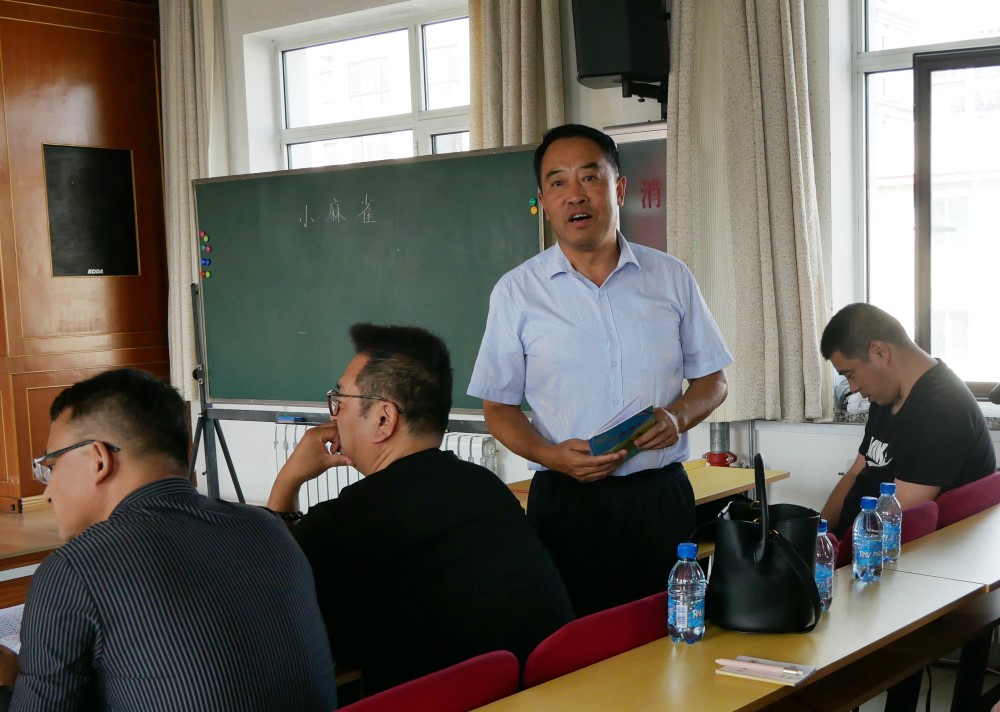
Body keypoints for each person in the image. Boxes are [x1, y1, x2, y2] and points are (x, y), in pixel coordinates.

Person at [467, 123, 733, 616]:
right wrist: (550, 454)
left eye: (590, 177)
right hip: (567, 501)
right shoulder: (516, 293)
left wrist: (677, 418)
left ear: (619, 188)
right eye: (558, 182)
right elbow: (498, 407)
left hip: (659, 497)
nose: (575, 195)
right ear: (543, 201)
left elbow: (713, 380)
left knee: (668, 631)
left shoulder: (671, 277)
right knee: (574, 639)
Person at [0, 369, 337, 712]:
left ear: (99, 459)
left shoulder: (75, 569)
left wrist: (15, 680)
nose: (48, 491)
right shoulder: (267, 528)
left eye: (51, 466)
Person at [267, 323, 574, 694]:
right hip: (547, 693)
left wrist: (287, 481)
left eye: (340, 401)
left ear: (384, 419)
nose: (333, 415)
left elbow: (269, 606)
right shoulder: (483, 487)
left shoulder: (341, 523)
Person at [820, 303, 996, 538]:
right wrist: (817, 534)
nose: (853, 388)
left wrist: (834, 553)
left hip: (887, 551)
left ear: (880, 351)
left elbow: (895, 525)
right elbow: (855, 474)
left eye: (851, 374)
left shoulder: (941, 410)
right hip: (853, 541)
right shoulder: (885, 395)